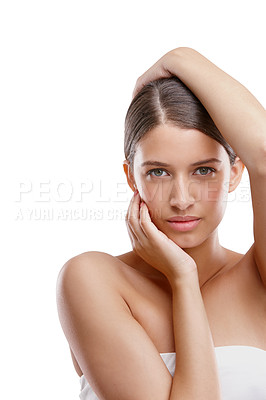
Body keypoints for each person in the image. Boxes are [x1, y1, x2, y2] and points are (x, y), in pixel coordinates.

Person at [56, 47, 266, 400]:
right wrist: (182, 278)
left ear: (235, 173)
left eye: (204, 170)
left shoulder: (259, 278)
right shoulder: (92, 280)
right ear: (131, 177)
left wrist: (180, 58)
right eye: (158, 172)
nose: (181, 198)